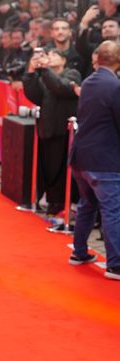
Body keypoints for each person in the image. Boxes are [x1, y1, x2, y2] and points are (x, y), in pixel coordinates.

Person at [69, 41, 120, 281]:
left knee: (87, 207)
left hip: (81, 157)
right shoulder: (115, 86)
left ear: (97, 59)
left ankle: (79, 253)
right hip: (104, 161)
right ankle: (116, 264)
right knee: (112, 211)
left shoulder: (88, 83)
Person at [23, 47, 81, 215]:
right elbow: (34, 95)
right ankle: (48, 199)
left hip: (64, 131)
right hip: (46, 128)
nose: (49, 57)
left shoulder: (72, 73)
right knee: (46, 168)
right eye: (49, 54)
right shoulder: (45, 76)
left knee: (61, 170)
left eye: (54, 54)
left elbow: (60, 87)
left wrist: (45, 70)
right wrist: (32, 72)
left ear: (63, 60)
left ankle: (61, 203)